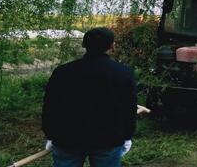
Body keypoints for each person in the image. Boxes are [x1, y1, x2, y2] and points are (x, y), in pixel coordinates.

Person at [42, 27, 137, 167]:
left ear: (83, 44)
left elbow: (50, 106)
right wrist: (127, 136)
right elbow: (129, 108)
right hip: (108, 139)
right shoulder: (123, 73)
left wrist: (50, 134)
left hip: (67, 138)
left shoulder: (62, 72)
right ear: (112, 46)